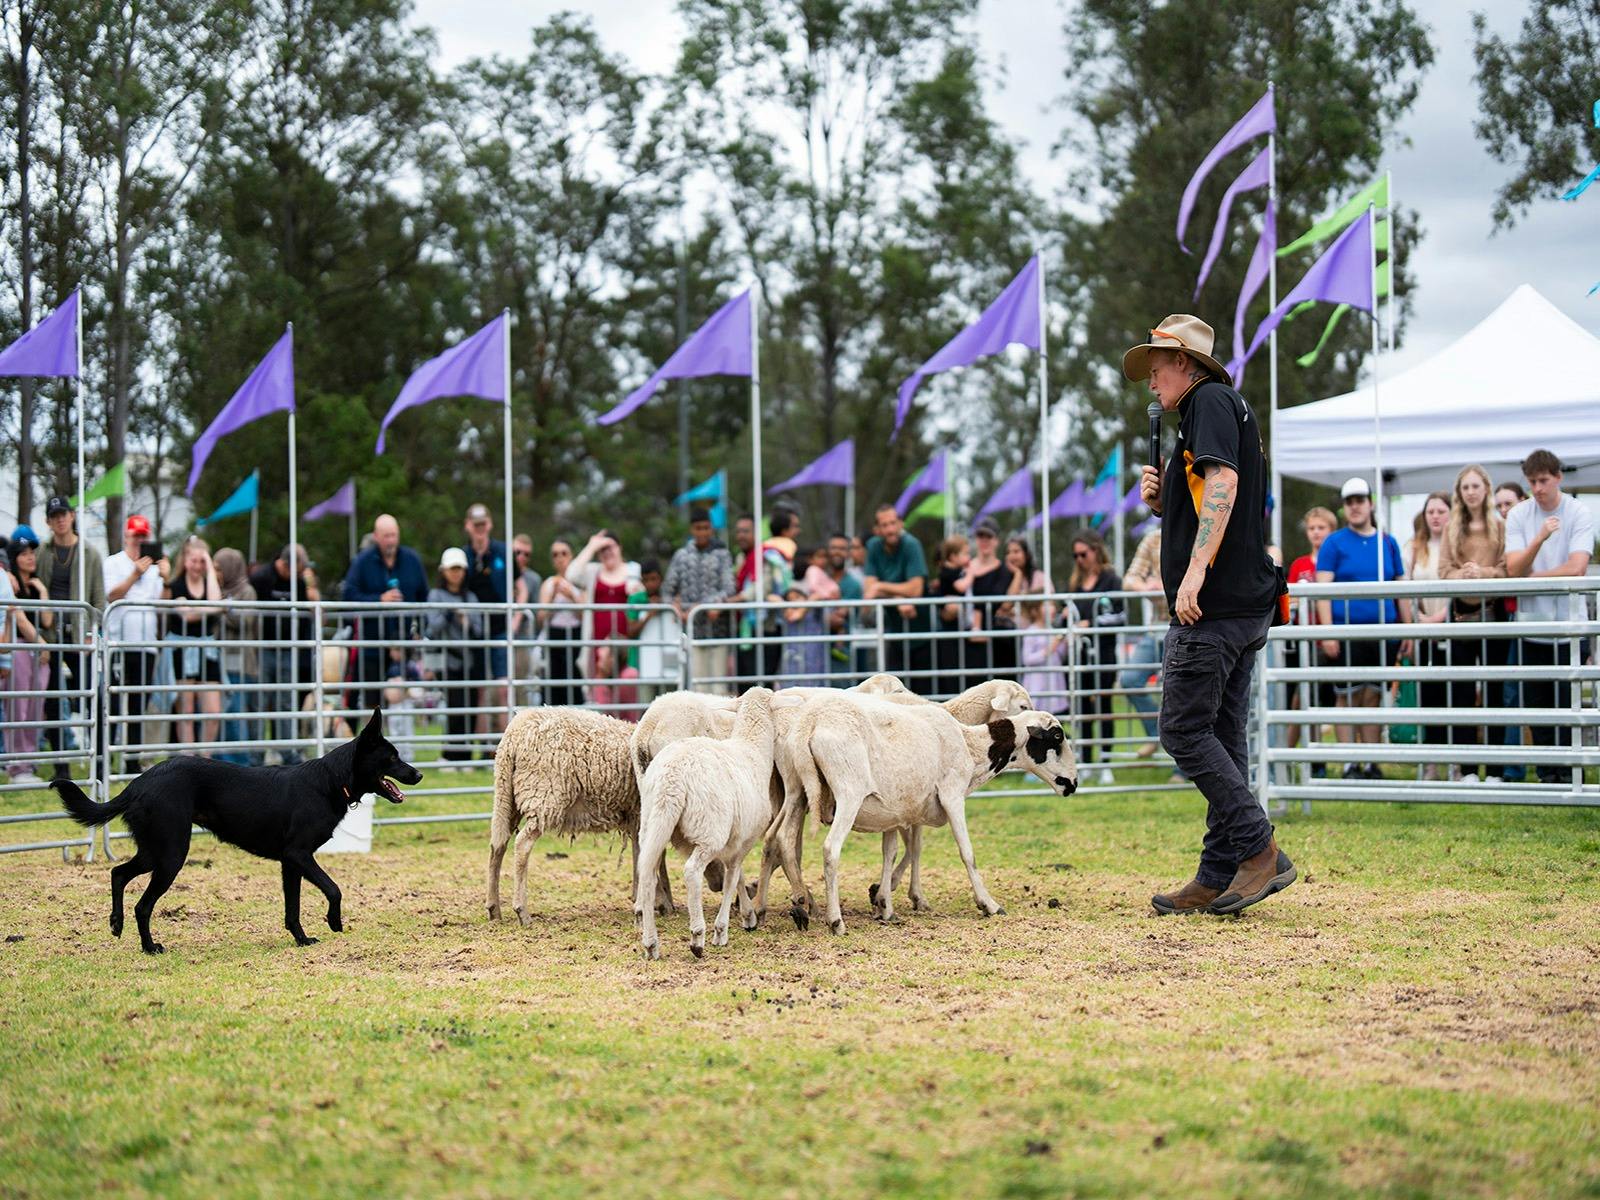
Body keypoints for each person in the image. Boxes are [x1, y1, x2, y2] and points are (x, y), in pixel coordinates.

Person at [1129, 313, 1293, 916]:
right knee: (1222, 734)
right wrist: (1163, 502)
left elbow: (1223, 484)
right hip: (1243, 603)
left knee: (1182, 730)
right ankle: (1218, 870)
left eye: (1157, 366)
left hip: (1215, 604)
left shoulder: (1209, 403)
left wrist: (1193, 574)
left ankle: (1258, 848)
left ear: (1185, 365)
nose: (1151, 380)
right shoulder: (1219, 409)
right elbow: (1210, 496)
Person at [1504, 448, 1594, 783]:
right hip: (1533, 626)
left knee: (1568, 704)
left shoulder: (1578, 511)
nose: (1538, 488)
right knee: (1539, 706)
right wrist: (1540, 538)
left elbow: (1578, 568)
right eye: (1532, 482)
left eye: (1543, 480)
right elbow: (1513, 568)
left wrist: (1532, 580)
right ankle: (1547, 773)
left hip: (1571, 626)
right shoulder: (1519, 515)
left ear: (1558, 477)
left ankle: (1572, 772)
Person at [1315, 477, 1413, 778]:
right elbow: (1322, 590)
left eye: (1360, 500)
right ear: (1345, 508)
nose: (1355, 506)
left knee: (1372, 695)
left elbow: (1400, 587)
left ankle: (1371, 760)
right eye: (1350, 502)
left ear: (1370, 503)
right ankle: (1349, 761)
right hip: (1347, 630)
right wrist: (1328, 631)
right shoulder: (1334, 543)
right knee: (1347, 695)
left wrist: (1408, 629)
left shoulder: (1388, 542)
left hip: (1382, 630)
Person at [1438, 464, 1508, 782]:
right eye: (1465, 487)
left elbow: (1508, 568)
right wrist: (1462, 574)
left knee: (1494, 690)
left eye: (1475, 486)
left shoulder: (1500, 526)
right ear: (1459, 492)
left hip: (1493, 614)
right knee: (1464, 690)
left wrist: (1485, 573)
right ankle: (1468, 768)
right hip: (1462, 616)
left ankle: (1494, 768)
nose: (1470, 492)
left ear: (1486, 489)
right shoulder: (1452, 528)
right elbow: (1443, 570)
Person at [40, 495, 107, 780]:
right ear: (48, 521)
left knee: (95, 695)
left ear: (72, 516)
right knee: (54, 699)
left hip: (81, 635)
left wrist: (93, 633)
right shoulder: (43, 552)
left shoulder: (89, 552)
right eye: (55, 515)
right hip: (49, 634)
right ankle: (61, 767)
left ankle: (101, 761)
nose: (60, 519)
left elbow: (99, 599)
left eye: (64, 514)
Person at [102, 514, 171, 773]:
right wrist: (134, 574)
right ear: (126, 537)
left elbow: (163, 604)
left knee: (138, 705)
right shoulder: (114, 562)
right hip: (119, 642)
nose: (139, 542)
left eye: (143, 537)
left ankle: (131, 760)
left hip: (146, 644)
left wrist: (165, 578)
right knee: (113, 701)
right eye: (135, 536)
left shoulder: (154, 569)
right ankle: (105, 757)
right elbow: (112, 595)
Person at [343, 515, 428, 712]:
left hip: (402, 647)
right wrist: (378, 600)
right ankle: (372, 741)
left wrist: (420, 630)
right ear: (376, 536)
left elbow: (424, 597)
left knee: (401, 700)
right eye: (386, 536)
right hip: (370, 645)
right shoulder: (362, 562)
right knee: (372, 703)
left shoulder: (412, 560)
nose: (391, 540)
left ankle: (400, 742)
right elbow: (348, 595)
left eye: (394, 535)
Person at [248, 544, 320, 763]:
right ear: (285, 563)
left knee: (286, 702)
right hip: (264, 649)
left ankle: (287, 751)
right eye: (297, 569)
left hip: (289, 650)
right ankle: (256, 756)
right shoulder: (261, 578)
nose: (298, 574)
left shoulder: (299, 581)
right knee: (259, 702)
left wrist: (309, 585)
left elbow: (316, 610)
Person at [1065, 528, 1123, 785]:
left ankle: (1106, 761)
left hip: (1104, 652)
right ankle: (1086, 760)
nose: (1079, 560)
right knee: (1083, 707)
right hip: (1078, 654)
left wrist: (1093, 623)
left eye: (1083, 554)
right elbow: (1063, 615)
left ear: (1095, 551)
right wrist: (1067, 619)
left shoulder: (1111, 579)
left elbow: (1120, 615)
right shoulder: (1075, 583)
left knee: (1103, 705)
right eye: (1075, 555)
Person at [565, 529, 643, 713]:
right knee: (600, 699)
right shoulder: (593, 571)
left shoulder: (633, 571)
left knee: (627, 694)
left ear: (620, 548)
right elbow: (571, 575)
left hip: (627, 648)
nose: (607, 552)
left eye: (610, 547)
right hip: (598, 649)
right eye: (603, 549)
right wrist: (592, 546)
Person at [1402, 492, 1452, 777]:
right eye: (1431, 511)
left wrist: (1441, 617)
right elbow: (1405, 587)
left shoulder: (1456, 547)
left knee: (1454, 696)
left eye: (1441, 511)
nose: (1435, 516)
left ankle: (1456, 761)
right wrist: (1417, 619)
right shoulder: (1413, 547)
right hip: (1423, 630)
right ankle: (1431, 761)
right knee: (1428, 696)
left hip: (1450, 628)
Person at [1283, 508, 1337, 762]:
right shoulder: (1300, 565)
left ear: (1331, 531)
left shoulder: (1338, 561)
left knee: (1320, 700)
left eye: (1321, 528)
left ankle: (1316, 759)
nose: (1316, 532)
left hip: (1328, 638)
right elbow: (1291, 599)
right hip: (1303, 640)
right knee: (1298, 699)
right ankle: (1287, 753)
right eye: (1312, 528)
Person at [661, 509, 735, 693]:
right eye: (698, 528)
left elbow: (729, 588)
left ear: (711, 529)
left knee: (718, 687)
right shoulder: (682, 556)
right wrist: (675, 608)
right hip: (692, 632)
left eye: (706, 528)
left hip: (717, 630)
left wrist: (705, 605)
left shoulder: (722, 554)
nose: (702, 532)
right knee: (697, 686)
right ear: (692, 530)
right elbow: (668, 589)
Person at [425, 546, 486, 763]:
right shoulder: (436, 595)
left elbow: (480, 629)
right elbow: (431, 628)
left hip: (468, 661)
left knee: (468, 707)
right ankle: (450, 755)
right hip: (447, 660)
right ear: (443, 571)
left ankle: (465, 756)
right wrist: (450, 614)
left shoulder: (470, 597)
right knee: (454, 707)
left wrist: (466, 622)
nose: (456, 573)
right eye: (452, 569)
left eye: (459, 569)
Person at [863, 504, 931, 695]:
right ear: (877, 529)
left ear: (901, 523)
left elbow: (916, 589)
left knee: (924, 692)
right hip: (893, 631)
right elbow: (869, 588)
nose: (890, 529)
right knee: (893, 691)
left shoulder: (911, 544)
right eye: (884, 525)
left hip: (922, 631)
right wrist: (898, 597)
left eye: (893, 523)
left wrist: (881, 587)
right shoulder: (874, 546)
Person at [166, 536, 224, 753]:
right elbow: (187, 616)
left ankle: (206, 759)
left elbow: (215, 603)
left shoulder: (210, 584)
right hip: (182, 649)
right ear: (184, 560)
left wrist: (210, 569)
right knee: (186, 712)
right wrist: (211, 608)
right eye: (194, 560)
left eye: (203, 561)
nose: (198, 566)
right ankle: (188, 761)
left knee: (213, 713)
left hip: (207, 650)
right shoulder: (176, 585)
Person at [4, 526, 52, 785]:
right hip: (22, 648)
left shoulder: (34, 586)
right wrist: (41, 643)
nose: (30, 556)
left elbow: (46, 619)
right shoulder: (9, 583)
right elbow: (19, 619)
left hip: (37, 651)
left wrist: (43, 591)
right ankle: (16, 766)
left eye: (32, 551)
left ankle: (28, 762)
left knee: (36, 708)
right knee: (18, 708)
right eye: (24, 553)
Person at [735, 506, 799, 691]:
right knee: (745, 682)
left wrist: (736, 599)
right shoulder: (742, 559)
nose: (741, 536)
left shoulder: (767, 556)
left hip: (768, 625)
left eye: (746, 531)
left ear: (756, 532)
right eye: (738, 531)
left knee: (763, 683)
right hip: (746, 627)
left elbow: (763, 586)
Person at [1118, 528, 1168, 761]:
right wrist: (1145, 586)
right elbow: (1130, 578)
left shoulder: (1200, 528)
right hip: (1158, 624)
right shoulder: (1154, 538)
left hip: (1189, 625)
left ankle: (1182, 767)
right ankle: (1155, 732)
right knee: (1130, 679)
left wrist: (1162, 584)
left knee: (1178, 691)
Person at [461, 502, 511, 734]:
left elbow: (518, 586)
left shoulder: (502, 552)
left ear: (489, 524)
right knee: (479, 689)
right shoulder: (464, 557)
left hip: (501, 628)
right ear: (468, 526)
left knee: (503, 688)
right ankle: (481, 748)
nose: (480, 529)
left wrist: (516, 617)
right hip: (474, 631)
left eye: (483, 524)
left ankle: (505, 744)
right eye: (476, 524)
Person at [214, 548, 260, 765]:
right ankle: (220, 759)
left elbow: (245, 621)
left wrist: (224, 607)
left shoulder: (247, 591)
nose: (216, 573)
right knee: (220, 713)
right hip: (219, 661)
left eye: (219, 569)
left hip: (240, 663)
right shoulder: (216, 590)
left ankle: (240, 762)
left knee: (235, 714)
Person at [965, 515, 1020, 683]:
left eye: (989, 536)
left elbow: (1008, 604)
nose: (984, 541)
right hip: (970, 642)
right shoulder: (965, 569)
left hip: (999, 643)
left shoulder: (1005, 571)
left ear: (996, 540)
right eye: (981, 536)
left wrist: (1018, 574)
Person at [626, 558, 682, 707]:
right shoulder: (636, 599)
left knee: (670, 707)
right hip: (644, 664)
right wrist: (649, 613)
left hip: (669, 663)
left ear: (661, 579)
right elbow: (631, 631)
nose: (651, 584)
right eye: (646, 580)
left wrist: (673, 605)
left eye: (654, 579)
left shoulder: (670, 599)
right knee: (646, 708)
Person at [537, 539, 583, 706]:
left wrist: (571, 596)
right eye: (555, 554)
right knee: (553, 677)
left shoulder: (579, 583)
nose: (560, 558)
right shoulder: (549, 583)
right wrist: (552, 598)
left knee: (573, 675)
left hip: (574, 634)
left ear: (571, 556)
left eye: (564, 553)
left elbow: (585, 615)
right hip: (554, 635)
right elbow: (541, 617)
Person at [780, 549, 832, 689]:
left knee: (811, 666)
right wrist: (787, 606)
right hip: (797, 636)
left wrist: (802, 609)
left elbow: (817, 593)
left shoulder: (812, 573)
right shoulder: (790, 576)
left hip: (811, 632)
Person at [930, 534, 972, 696]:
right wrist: (971, 574)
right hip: (948, 624)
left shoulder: (955, 570)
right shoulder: (948, 572)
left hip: (958, 623)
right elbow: (961, 587)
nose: (968, 557)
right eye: (965, 554)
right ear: (954, 556)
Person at [821, 532, 864, 681]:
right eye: (833, 547)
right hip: (818, 651)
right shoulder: (819, 579)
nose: (837, 552)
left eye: (842, 548)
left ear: (848, 553)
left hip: (842, 652)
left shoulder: (853, 584)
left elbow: (839, 619)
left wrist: (821, 618)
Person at [1018, 598, 1068, 716]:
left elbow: (1060, 655)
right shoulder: (1031, 632)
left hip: (1053, 678)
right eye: (1046, 606)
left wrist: (1064, 643)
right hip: (1038, 680)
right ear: (1035, 611)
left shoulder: (1052, 630)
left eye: (1052, 605)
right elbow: (1027, 659)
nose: (1052, 609)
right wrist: (1048, 650)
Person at [511, 534, 543, 706]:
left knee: (520, 688)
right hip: (499, 635)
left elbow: (538, 616)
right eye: (517, 552)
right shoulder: (501, 573)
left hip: (523, 641)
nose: (521, 557)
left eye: (526, 554)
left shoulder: (533, 579)